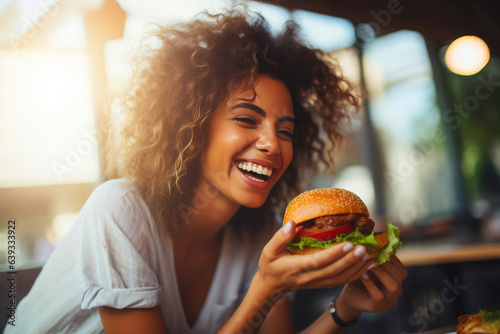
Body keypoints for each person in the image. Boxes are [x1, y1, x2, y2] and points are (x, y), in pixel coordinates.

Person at [6, 7, 407, 334]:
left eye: (285, 130)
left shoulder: (255, 234)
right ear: (193, 127)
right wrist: (264, 291)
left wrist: (346, 309)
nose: (273, 143)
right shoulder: (119, 211)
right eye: (248, 120)